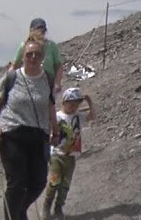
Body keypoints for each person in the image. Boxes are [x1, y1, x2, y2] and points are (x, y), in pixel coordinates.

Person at [0, 36, 60, 220]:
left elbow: (50, 105)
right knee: (17, 182)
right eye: (29, 54)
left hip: (38, 135)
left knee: (38, 181)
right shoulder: (10, 78)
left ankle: (18, 212)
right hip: (12, 132)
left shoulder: (47, 79)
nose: (33, 57)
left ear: (42, 57)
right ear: (23, 56)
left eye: (37, 54)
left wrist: (56, 130)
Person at [42, 87, 97, 218]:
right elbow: (48, 129)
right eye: (71, 105)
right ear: (64, 102)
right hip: (57, 155)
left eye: (76, 105)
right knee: (54, 182)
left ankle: (58, 208)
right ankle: (46, 206)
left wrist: (90, 103)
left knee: (65, 185)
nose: (73, 108)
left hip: (71, 157)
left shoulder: (78, 117)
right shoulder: (57, 116)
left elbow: (92, 117)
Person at [10, 18, 63, 94]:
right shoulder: (24, 46)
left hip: (47, 84)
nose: (41, 32)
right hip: (28, 84)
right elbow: (15, 65)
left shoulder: (51, 46)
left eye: (43, 29)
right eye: (38, 29)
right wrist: (7, 81)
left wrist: (57, 82)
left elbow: (58, 66)